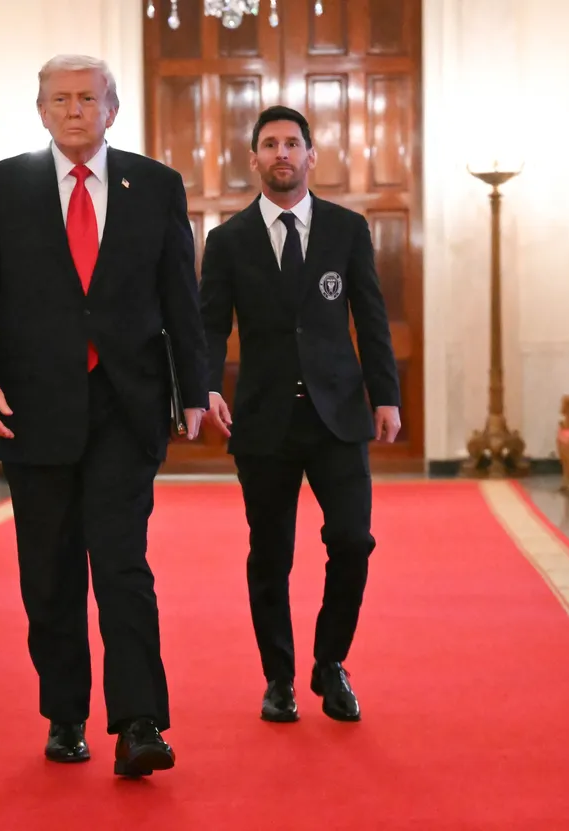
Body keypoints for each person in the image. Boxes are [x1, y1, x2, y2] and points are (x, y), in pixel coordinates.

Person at [0, 54, 209, 777]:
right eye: (59, 99)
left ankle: (140, 721)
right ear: (40, 111)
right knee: (51, 572)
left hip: (127, 404)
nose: (73, 110)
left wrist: (195, 386)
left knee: (123, 561)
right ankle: (65, 712)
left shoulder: (154, 186)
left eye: (87, 98)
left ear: (112, 110)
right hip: (33, 409)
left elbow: (181, 297)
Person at [200, 105, 401, 724]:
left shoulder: (346, 230)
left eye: (293, 144)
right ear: (254, 159)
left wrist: (385, 395)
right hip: (263, 422)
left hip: (338, 416)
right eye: (270, 145)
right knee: (272, 555)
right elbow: (209, 326)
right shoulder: (228, 241)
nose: (282, 154)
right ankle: (279, 678)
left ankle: (330, 664)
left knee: (352, 541)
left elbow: (369, 316)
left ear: (312, 156)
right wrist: (205, 388)